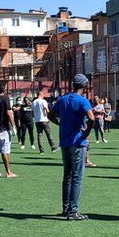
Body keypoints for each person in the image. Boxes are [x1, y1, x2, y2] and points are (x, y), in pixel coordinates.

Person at [50, 74, 95, 220]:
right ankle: (72, 211)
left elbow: (50, 115)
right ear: (84, 85)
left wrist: (60, 123)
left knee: (67, 175)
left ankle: (65, 208)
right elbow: (92, 118)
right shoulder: (83, 101)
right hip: (77, 142)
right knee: (77, 177)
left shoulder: (63, 99)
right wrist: (86, 133)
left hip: (64, 142)